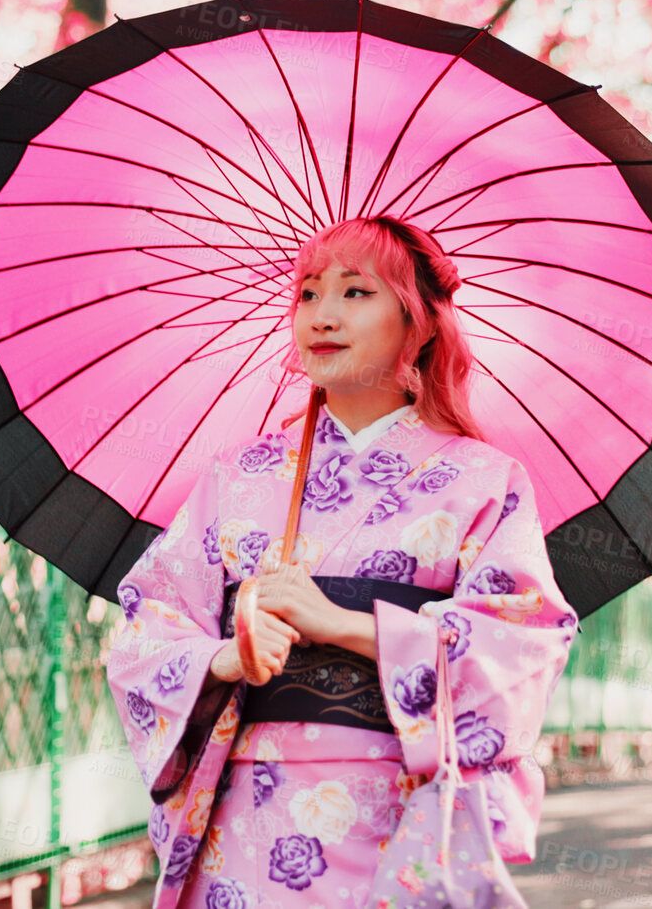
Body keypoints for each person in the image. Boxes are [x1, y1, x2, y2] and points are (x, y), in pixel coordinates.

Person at [106, 215, 578, 908]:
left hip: (398, 811)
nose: (321, 316)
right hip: (249, 823)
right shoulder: (236, 477)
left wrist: (344, 625)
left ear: (417, 324)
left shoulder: (482, 479)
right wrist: (226, 659)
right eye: (306, 293)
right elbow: (148, 628)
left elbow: (521, 646)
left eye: (355, 293)